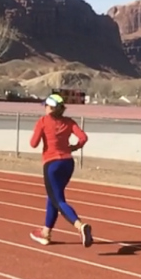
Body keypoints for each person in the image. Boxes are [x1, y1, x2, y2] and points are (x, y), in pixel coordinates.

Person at [28, 93, 93, 247]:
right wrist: (74, 147)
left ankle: (80, 226)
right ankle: (46, 232)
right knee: (53, 197)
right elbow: (83, 137)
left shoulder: (43, 122)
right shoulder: (69, 122)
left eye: (46, 105)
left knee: (58, 200)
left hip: (52, 165)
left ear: (50, 108)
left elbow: (33, 143)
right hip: (67, 163)